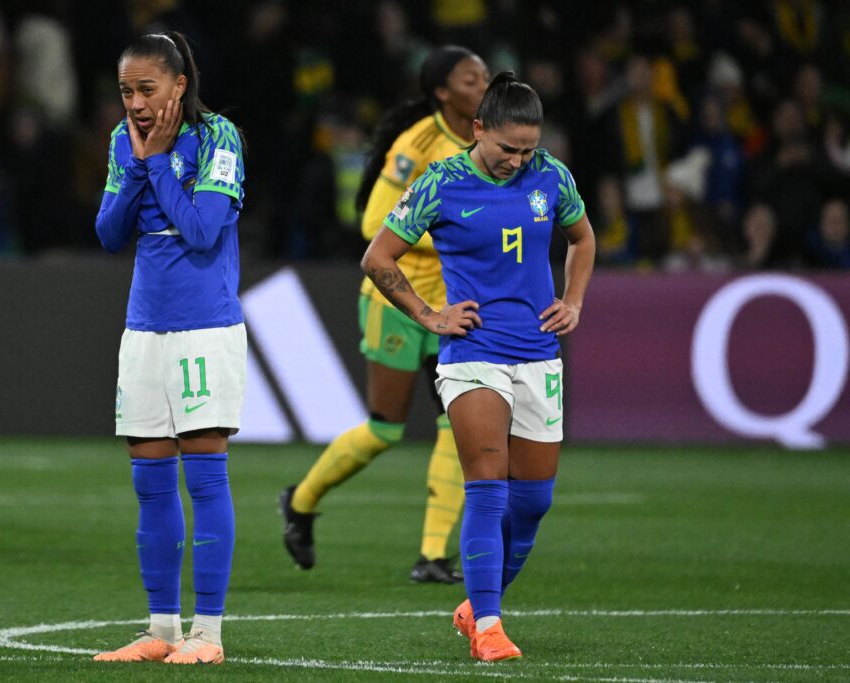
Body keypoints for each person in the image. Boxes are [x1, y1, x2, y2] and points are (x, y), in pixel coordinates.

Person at [360, 71, 595, 661]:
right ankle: (489, 626)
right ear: (478, 129)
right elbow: (378, 257)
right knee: (487, 486)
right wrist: (429, 315)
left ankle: (474, 606)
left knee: (534, 502)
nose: (517, 160)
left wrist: (573, 302)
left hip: (539, 352)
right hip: (474, 355)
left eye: (527, 149)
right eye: (506, 148)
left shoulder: (552, 175)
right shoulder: (439, 183)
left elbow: (583, 239)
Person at [279, 45, 489, 583]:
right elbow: (375, 221)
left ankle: (434, 555)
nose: (482, 84)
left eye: (485, 75)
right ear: (443, 92)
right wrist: (448, 235)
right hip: (397, 299)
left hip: (453, 305)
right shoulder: (417, 144)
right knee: (385, 429)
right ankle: (301, 501)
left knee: (455, 424)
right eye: (471, 78)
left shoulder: (493, 143)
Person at [92, 32, 246, 666]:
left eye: (146, 89)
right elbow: (107, 232)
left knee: (205, 480)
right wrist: (135, 164)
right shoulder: (119, 141)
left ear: (178, 86)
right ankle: (161, 629)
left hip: (204, 327)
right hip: (144, 328)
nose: (135, 103)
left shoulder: (219, 139)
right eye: (126, 91)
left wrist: (156, 162)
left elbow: (205, 230)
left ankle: (206, 633)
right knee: (151, 484)